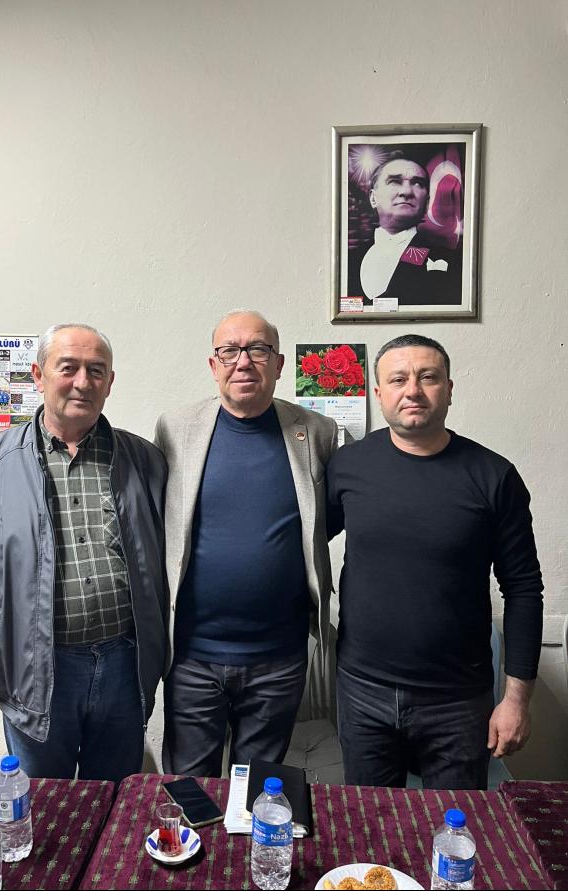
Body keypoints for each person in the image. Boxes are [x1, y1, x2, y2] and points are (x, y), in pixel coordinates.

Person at [0, 323, 167, 782]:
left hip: (124, 667)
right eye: (68, 368)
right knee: (40, 805)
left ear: (110, 382)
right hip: (34, 671)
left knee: (114, 801)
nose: (82, 382)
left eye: (96, 370)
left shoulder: (145, 461)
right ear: (38, 375)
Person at [327, 333, 543, 790]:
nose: (413, 390)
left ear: (448, 389)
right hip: (362, 693)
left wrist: (516, 700)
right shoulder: (348, 466)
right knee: (368, 822)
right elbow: (298, 542)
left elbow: (524, 589)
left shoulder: (494, 476)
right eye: (398, 379)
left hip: (457, 702)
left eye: (428, 377)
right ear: (379, 392)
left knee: (454, 827)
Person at [155, 309, 338, 777]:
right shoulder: (175, 429)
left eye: (258, 350)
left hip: (278, 658)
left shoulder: (316, 433)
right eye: (229, 351)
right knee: (189, 789)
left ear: (278, 364)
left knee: (259, 791)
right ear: (213, 365)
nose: (243, 362)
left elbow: (325, 520)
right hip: (193, 656)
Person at [348, 153, 462, 306]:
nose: (407, 192)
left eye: (418, 183)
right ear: (373, 198)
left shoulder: (452, 261)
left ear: (427, 203)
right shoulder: (348, 260)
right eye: (394, 181)